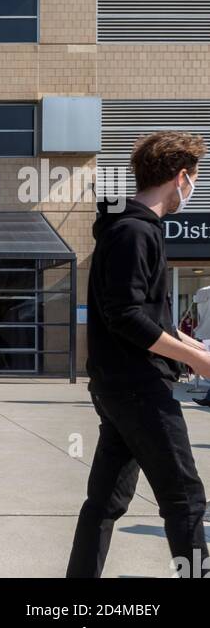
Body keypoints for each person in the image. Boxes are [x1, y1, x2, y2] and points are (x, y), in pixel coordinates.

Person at [67, 131, 210, 579]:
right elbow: (125, 315)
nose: (193, 188)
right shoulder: (133, 231)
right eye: (195, 178)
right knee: (184, 498)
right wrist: (197, 362)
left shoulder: (130, 228)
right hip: (139, 387)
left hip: (120, 387)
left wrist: (195, 348)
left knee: (106, 501)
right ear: (180, 176)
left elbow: (152, 319)